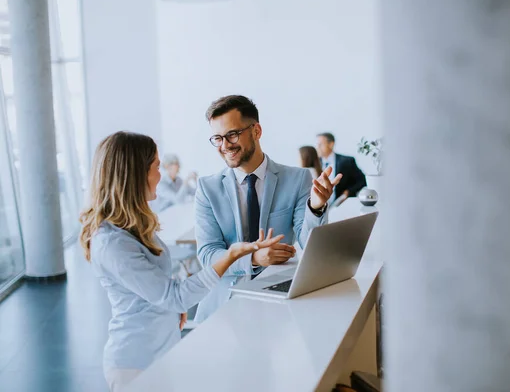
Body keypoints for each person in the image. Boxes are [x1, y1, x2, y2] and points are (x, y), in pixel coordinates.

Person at [79, 131, 283, 392]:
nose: (161, 175)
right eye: (156, 166)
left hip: (161, 351)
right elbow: (173, 296)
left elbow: (158, 289)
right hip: (136, 365)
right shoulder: (111, 243)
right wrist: (231, 255)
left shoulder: (133, 226)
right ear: (134, 173)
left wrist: (172, 307)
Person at [194, 95, 342, 322]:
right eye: (217, 138)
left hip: (279, 300)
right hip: (222, 307)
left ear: (256, 131)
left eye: (232, 134)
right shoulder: (207, 189)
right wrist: (254, 258)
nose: (224, 146)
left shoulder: (297, 178)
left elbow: (308, 244)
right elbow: (207, 255)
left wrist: (316, 207)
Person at [316, 132, 367, 204]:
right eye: (317, 144)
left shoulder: (347, 161)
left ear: (331, 144)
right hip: (319, 206)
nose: (317, 147)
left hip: (341, 205)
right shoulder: (315, 163)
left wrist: (348, 192)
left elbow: (362, 180)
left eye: (320, 144)